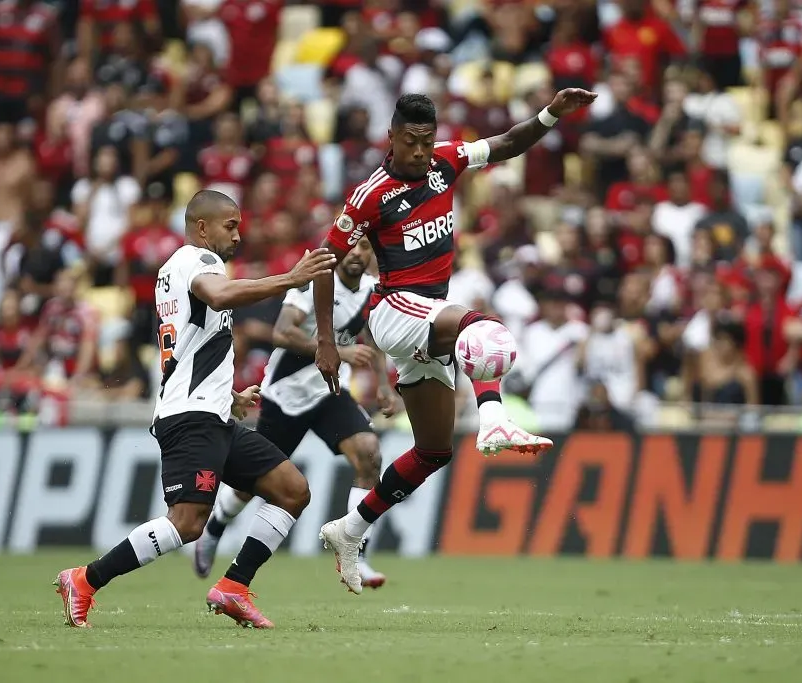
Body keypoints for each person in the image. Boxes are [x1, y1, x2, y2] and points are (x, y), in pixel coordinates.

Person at [314, 89, 597, 594]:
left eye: (427, 141)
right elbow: (323, 261)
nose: (421, 152)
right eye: (411, 142)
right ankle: (494, 420)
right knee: (484, 328)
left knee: (433, 450)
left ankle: (350, 529)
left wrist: (552, 113)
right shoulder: (369, 195)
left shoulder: (448, 161)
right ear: (392, 138)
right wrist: (326, 341)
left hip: (426, 318)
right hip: (396, 310)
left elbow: (509, 142)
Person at [54, 190, 336, 628]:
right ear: (202, 227)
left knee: (291, 490)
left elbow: (191, 344)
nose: (238, 236)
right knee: (186, 524)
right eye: (230, 225)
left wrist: (229, 396)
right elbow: (221, 297)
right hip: (190, 417)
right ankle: (85, 579)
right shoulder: (199, 262)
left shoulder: (175, 270)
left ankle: (234, 587)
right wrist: (290, 278)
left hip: (210, 412)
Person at [192, 237, 397, 588]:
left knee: (369, 454)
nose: (359, 254)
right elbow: (282, 331)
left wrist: (383, 384)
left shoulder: (369, 290)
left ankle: (355, 551)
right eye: (354, 246)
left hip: (330, 393)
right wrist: (335, 350)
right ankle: (216, 525)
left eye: (366, 248)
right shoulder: (315, 281)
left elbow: (369, 335)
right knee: (251, 486)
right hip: (285, 397)